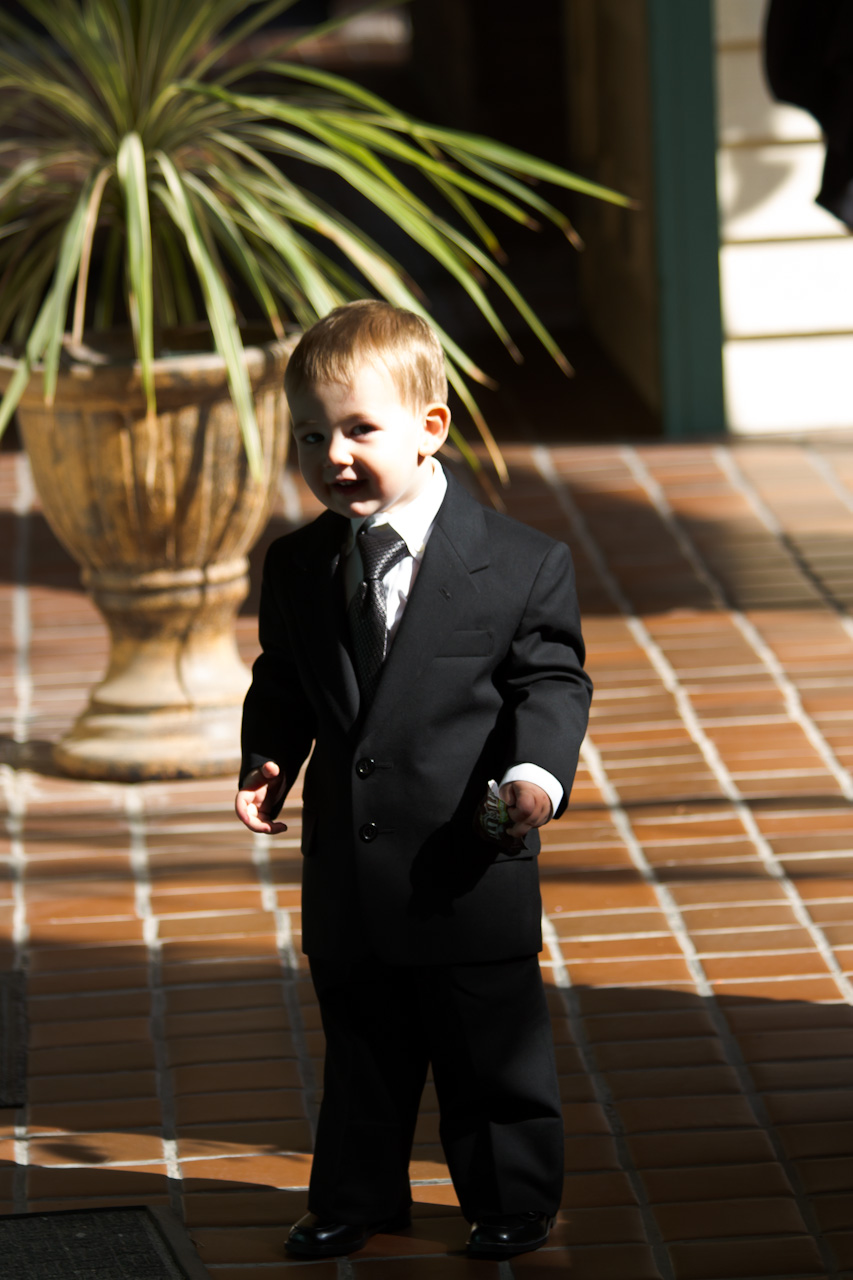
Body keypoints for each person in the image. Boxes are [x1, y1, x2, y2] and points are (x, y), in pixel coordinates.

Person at [235, 300, 592, 1261]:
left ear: (430, 427)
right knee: (362, 1048)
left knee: (488, 1050)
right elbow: (285, 677)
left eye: (359, 430)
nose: (333, 456)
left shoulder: (519, 563)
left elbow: (550, 683)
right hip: (350, 869)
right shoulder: (299, 564)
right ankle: (356, 1196)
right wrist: (269, 758)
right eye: (310, 435)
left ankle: (511, 1197)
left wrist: (533, 774)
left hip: (466, 855)